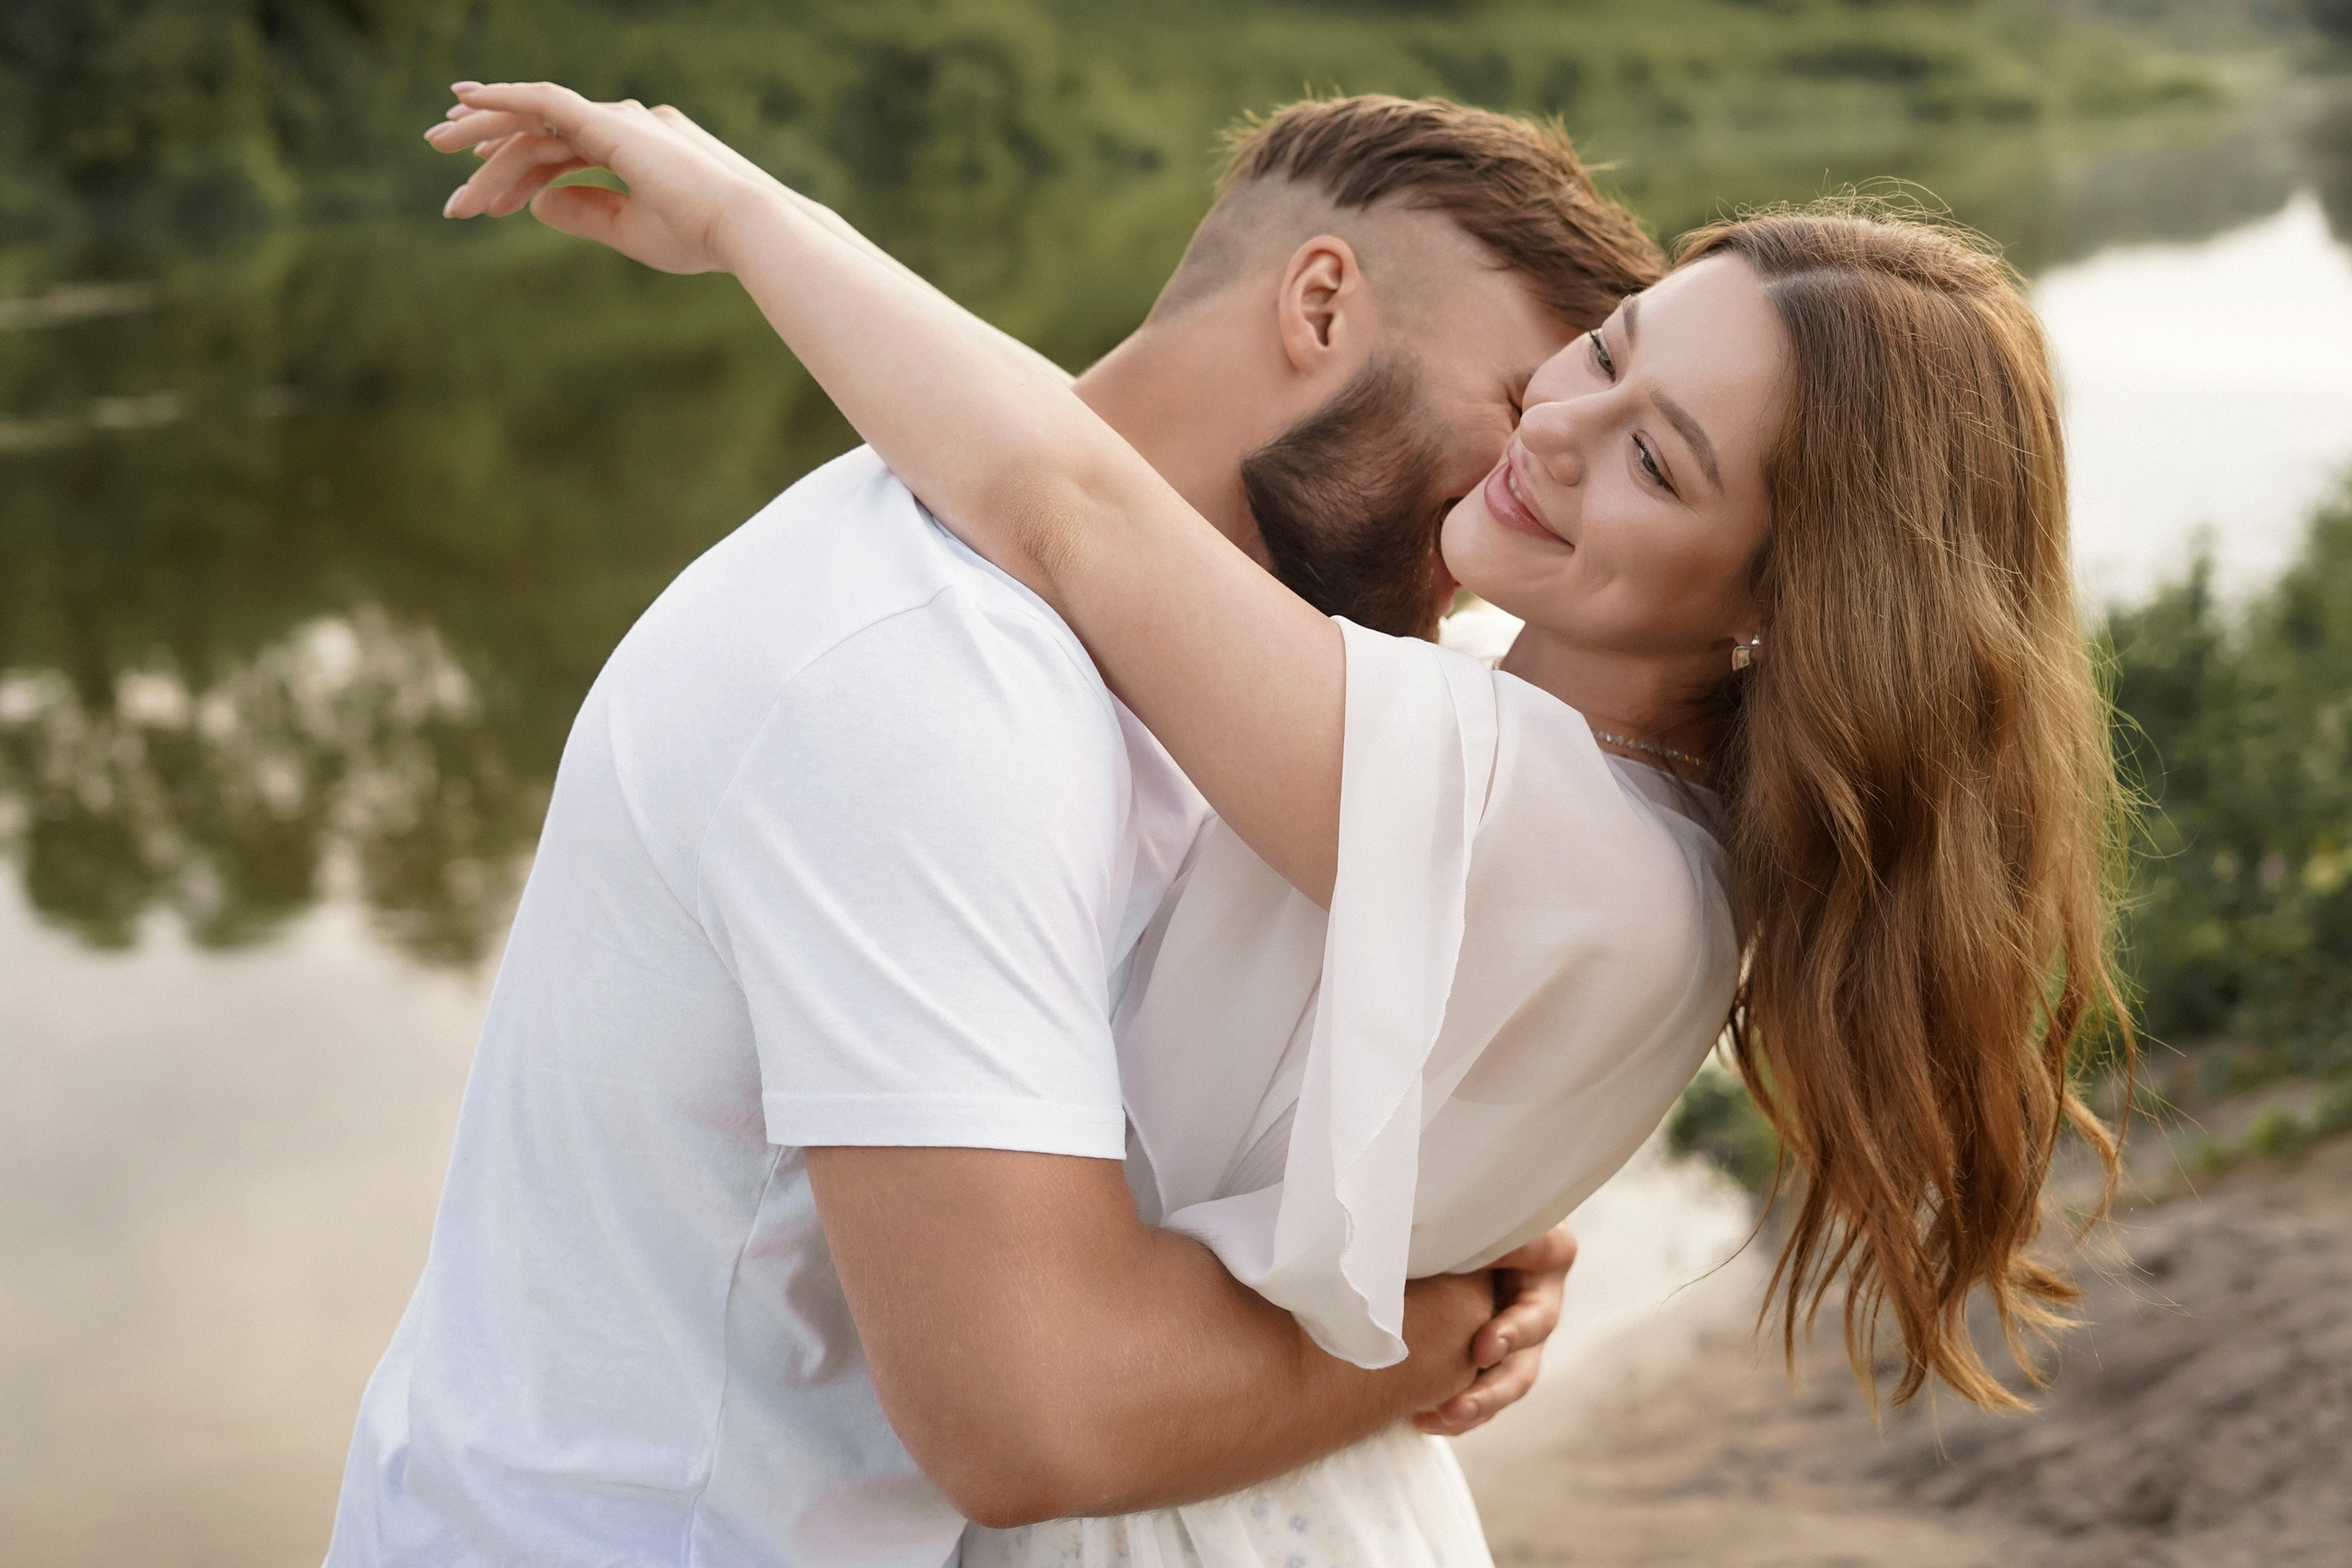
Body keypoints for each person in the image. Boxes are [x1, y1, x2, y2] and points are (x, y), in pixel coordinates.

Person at [425, 78, 2138, 1568]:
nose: (1553, 431)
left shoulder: (1525, 810)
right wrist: (1436, 1280)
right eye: (1595, 360)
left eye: (1659, 462)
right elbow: (1089, 491)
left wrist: (742, 213)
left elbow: (1075, 504)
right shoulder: (1534, 784)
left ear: (1779, 600)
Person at [328, 95, 1665, 1568]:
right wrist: (1441, 1323)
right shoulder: (923, 678)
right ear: (1322, 306)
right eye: (1522, 408)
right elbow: (1038, 1415)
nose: (1539, 498)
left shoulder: (1230, 665)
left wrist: (1463, 1211)